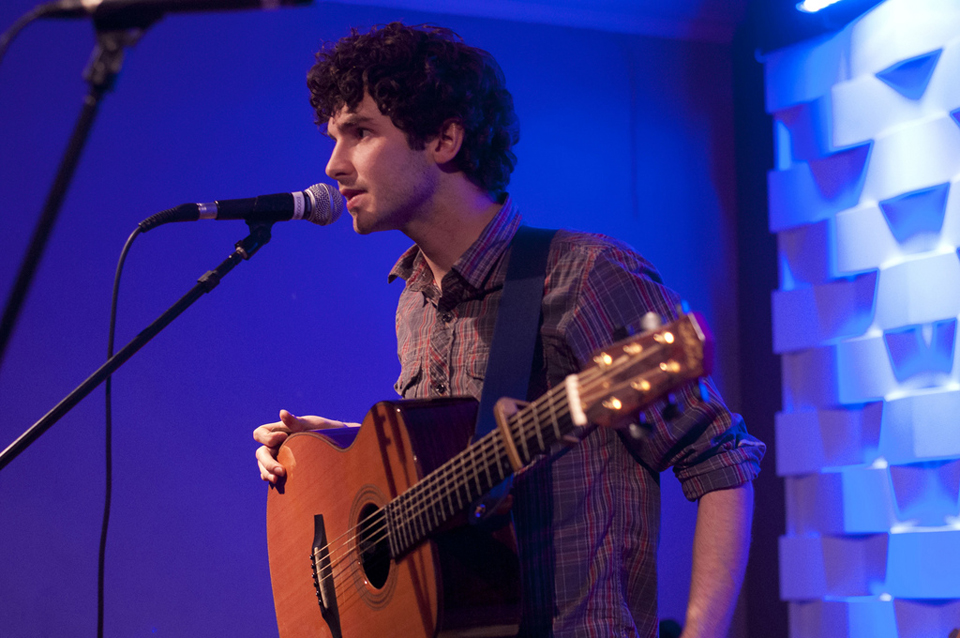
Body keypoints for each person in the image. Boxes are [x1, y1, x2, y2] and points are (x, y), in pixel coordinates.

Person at [254, 22, 765, 638]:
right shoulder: (414, 301)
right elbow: (455, 456)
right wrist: (339, 455)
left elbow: (720, 460)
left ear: (444, 138)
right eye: (336, 137)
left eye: (360, 132)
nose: (334, 165)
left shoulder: (584, 275)